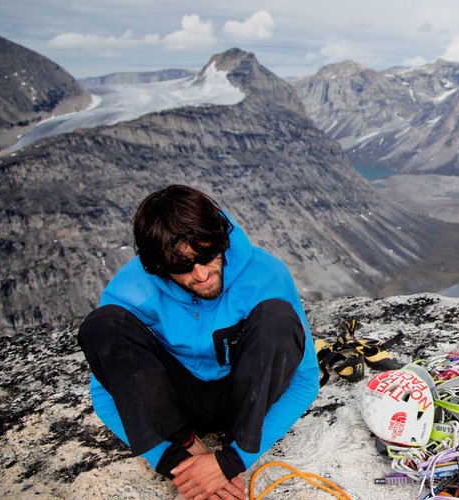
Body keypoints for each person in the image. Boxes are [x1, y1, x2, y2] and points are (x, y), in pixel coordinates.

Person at [78, 185, 319, 499]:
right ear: (159, 266)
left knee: (277, 317)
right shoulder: (131, 290)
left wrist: (231, 461)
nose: (203, 274)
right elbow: (107, 390)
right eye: (182, 267)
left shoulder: (265, 275)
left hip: (245, 396)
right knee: (102, 326)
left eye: (208, 255)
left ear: (221, 239)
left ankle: (233, 436)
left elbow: (305, 378)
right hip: (178, 404)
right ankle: (187, 437)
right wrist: (177, 461)